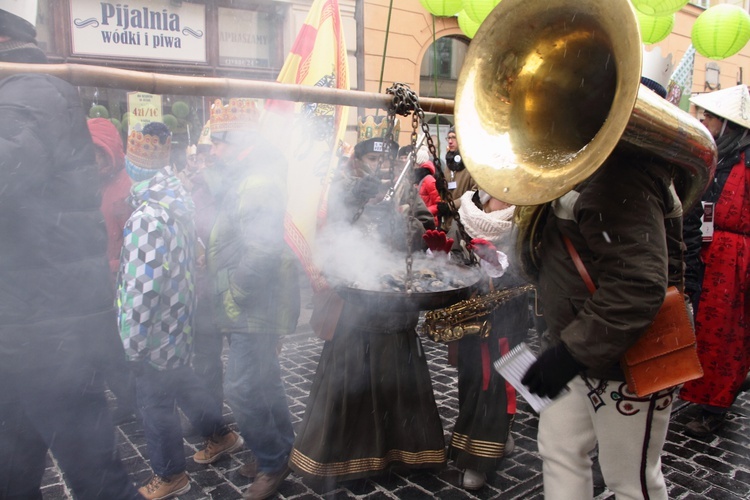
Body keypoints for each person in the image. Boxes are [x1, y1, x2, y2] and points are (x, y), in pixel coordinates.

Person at [518, 69, 694, 498]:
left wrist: (570, 353)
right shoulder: (589, 165)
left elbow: (638, 284)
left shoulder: (619, 175)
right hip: (578, 349)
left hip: (623, 360)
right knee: (559, 452)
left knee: (630, 480)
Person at [0, 5, 141, 499]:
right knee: (11, 471)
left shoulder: (31, 93)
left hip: (48, 327)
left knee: (94, 473)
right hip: (23, 321)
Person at [288, 136, 446, 491]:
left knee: (400, 383)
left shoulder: (405, 190)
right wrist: (362, 195)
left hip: (394, 303)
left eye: (386, 161)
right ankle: (348, 459)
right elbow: (335, 227)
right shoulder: (345, 189)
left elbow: (425, 231)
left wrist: (406, 219)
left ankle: (405, 454)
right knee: (352, 384)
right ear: (359, 162)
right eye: (373, 159)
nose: (382, 166)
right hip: (356, 307)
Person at [119, 122, 243, 500]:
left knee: (155, 404)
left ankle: (171, 474)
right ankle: (221, 434)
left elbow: (142, 288)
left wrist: (133, 343)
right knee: (185, 384)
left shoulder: (146, 218)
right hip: (177, 322)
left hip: (153, 331)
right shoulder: (177, 203)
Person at [206, 98, 300, 500]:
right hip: (252, 302)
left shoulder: (257, 179)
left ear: (239, 141)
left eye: (217, 142)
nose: (212, 149)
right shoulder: (245, 173)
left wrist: (233, 296)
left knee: (243, 388)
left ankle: (272, 460)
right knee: (265, 380)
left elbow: (262, 250)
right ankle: (281, 450)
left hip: (254, 303)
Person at [443, 190, 531, 490]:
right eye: (499, 191)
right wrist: (441, 257)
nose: (506, 198)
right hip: (470, 321)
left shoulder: (525, 219)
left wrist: (500, 267)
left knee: (498, 387)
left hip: (508, 320)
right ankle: (490, 442)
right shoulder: (464, 217)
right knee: (471, 385)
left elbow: (532, 267)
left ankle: (479, 461)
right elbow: (453, 265)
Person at [679, 85, 750, 438]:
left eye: (710, 116)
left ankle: (715, 406)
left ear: (727, 123)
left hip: (734, 260)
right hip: (711, 251)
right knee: (703, 332)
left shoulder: (746, 160)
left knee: (726, 336)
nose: (703, 120)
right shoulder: (718, 154)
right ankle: (700, 394)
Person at [87, 117, 139, 425]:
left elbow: (133, 240)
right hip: (96, 279)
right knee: (104, 345)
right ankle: (125, 395)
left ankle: (131, 396)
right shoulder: (91, 185)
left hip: (119, 280)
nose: (94, 160)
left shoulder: (125, 188)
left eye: (98, 153)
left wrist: (112, 266)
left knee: (117, 346)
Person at [443, 126, 477, 209]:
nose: (450, 141)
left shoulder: (471, 164)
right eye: (448, 138)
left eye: (454, 137)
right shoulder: (448, 163)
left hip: (464, 217)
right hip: (449, 219)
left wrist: (451, 206)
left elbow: (475, 194)